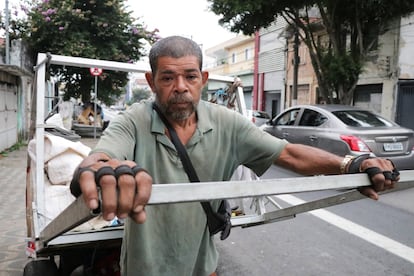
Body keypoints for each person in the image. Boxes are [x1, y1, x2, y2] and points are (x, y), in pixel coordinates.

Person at [70, 35, 400, 276]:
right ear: (151, 82)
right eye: (168, 77)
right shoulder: (135, 119)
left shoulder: (227, 123)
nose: (180, 86)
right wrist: (102, 169)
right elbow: (103, 156)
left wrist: (351, 164)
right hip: (143, 269)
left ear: (204, 80)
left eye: (190, 76)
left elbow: (291, 155)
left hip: (203, 267)